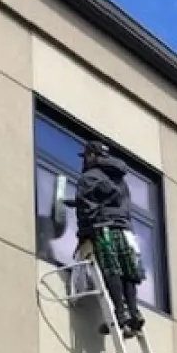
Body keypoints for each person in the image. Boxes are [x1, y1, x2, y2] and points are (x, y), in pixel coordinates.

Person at [63, 140, 146, 338]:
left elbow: (87, 208)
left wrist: (84, 235)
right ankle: (134, 313)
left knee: (112, 270)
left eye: (86, 157)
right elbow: (112, 199)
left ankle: (120, 315)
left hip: (104, 229)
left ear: (92, 155)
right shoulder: (119, 178)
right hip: (125, 230)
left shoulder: (89, 177)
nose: (84, 161)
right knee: (128, 272)